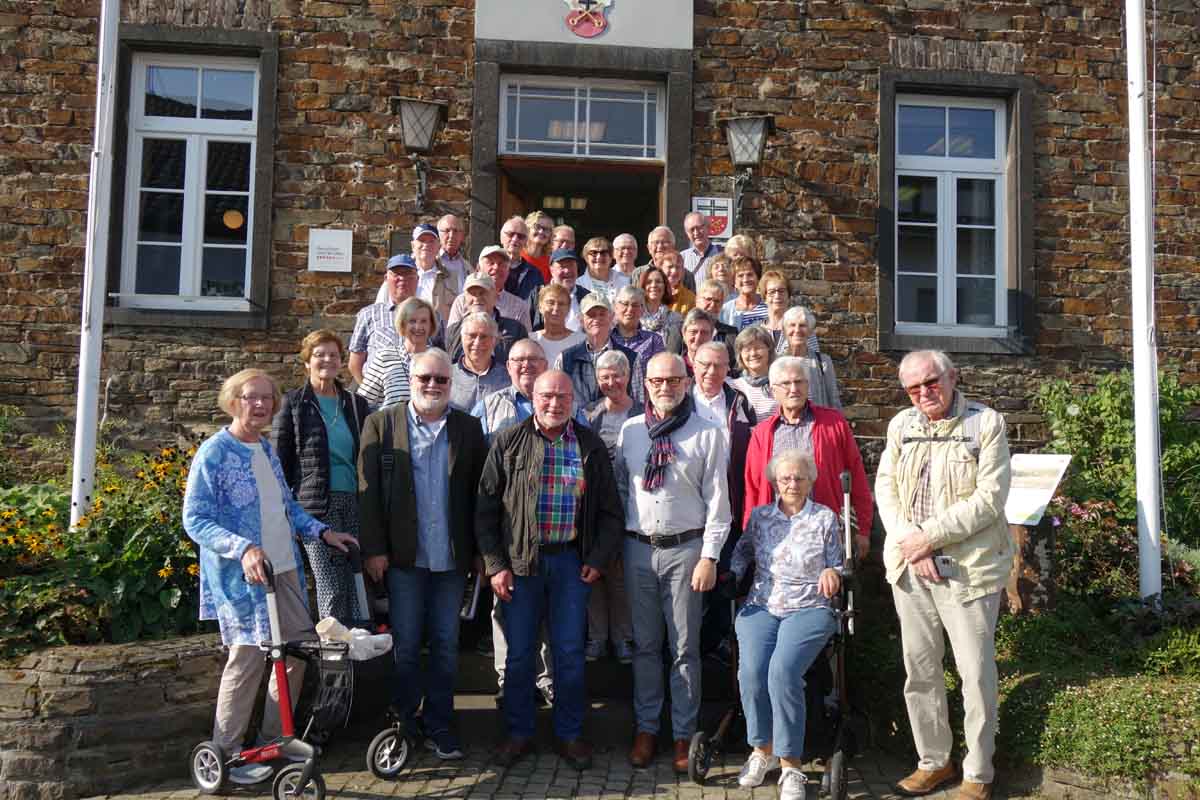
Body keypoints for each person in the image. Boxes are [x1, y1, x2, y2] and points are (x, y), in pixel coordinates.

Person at [184, 369, 355, 786]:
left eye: (266, 399)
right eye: (250, 397)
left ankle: (271, 742)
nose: (260, 405)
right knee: (245, 663)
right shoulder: (215, 452)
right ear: (232, 401)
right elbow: (195, 518)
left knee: (295, 657)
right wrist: (242, 547)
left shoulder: (265, 449)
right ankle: (226, 755)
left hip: (286, 570)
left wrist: (321, 531)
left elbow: (288, 508)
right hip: (244, 578)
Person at [875, 351, 1013, 800]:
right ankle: (933, 762)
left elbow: (989, 501)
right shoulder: (901, 425)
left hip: (969, 572)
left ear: (953, 377)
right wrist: (911, 545)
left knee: (974, 674)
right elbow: (886, 490)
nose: (923, 394)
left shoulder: (986, 424)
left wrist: (927, 538)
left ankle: (978, 772)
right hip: (911, 568)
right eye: (913, 389)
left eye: (931, 383)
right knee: (920, 673)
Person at [476, 370, 625, 771]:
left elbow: (611, 513)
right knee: (520, 654)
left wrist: (596, 559)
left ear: (573, 398)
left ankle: (570, 733)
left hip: (570, 563)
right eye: (547, 396)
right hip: (520, 565)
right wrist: (496, 565)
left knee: (570, 654)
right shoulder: (508, 440)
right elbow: (486, 509)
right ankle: (518, 733)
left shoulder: (589, 445)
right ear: (533, 395)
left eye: (562, 396)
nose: (554, 403)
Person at [359, 349, 488, 761]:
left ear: (451, 384)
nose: (432, 386)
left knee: (447, 646)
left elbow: (480, 497)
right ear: (411, 378)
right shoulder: (381, 424)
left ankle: (439, 724)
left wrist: (481, 552)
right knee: (407, 645)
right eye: (424, 378)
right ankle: (402, 725)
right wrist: (374, 548)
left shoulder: (468, 429)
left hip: (451, 561)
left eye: (441, 380)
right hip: (403, 560)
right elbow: (368, 494)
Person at [615, 352, 732, 772]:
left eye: (674, 380)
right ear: (644, 384)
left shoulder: (708, 433)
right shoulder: (630, 433)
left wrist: (710, 557)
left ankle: (683, 735)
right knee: (645, 646)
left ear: (686, 383)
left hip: (687, 550)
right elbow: (619, 495)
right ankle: (647, 729)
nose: (665, 387)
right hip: (638, 550)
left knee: (684, 650)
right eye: (657, 380)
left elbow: (720, 504)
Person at [730, 450, 844, 800]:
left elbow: (838, 563)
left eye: (799, 478)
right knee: (751, 672)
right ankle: (761, 751)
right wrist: (732, 573)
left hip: (810, 607)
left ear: (810, 480)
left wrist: (831, 571)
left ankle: (791, 765)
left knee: (782, 671)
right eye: (785, 479)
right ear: (775, 482)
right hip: (762, 604)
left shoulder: (825, 518)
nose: (792, 484)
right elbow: (743, 550)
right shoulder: (761, 517)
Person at [272, 331, 372, 625]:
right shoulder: (293, 403)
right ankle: (332, 658)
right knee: (330, 586)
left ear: (342, 362)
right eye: (319, 354)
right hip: (315, 507)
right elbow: (279, 463)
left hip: (353, 503)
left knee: (355, 584)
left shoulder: (356, 405)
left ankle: (356, 659)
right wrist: (286, 514)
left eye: (332, 354)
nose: (326, 360)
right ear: (307, 363)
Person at [742, 356, 872, 560]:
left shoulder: (833, 423)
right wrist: (748, 537)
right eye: (786, 383)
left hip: (822, 534)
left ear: (808, 385)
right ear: (774, 390)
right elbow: (752, 488)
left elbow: (855, 473)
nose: (794, 389)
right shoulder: (762, 433)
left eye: (799, 381)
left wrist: (863, 528)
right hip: (776, 537)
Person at [690, 341, 757, 659]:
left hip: (727, 503)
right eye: (705, 364)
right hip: (687, 507)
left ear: (729, 369)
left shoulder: (738, 402)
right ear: (693, 363)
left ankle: (712, 645)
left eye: (718, 365)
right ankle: (686, 646)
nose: (711, 372)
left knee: (721, 576)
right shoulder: (681, 400)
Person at [582, 349, 637, 665]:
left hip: (631, 506)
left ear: (628, 377)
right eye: (605, 377)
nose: (611, 382)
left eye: (617, 375)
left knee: (620, 576)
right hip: (595, 505)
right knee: (593, 573)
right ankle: (597, 636)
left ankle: (623, 637)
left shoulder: (643, 413)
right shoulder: (589, 415)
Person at [556, 293, 639, 408]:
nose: (597, 319)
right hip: (577, 423)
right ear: (581, 320)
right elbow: (558, 396)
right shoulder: (565, 359)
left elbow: (638, 402)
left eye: (602, 314)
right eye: (591, 315)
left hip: (619, 423)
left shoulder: (631, 358)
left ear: (611, 317)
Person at [349, 253, 418, 386]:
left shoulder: (431, 316)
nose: (402, 278)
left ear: (417, 278)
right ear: (386, 278)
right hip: (378, 401)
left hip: (417, 400)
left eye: (408, 274)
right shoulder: (368, 314)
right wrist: (368, 395)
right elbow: (354, 363)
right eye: (396, 274)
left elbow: (441, 356)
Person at [356, 296, 437, 408]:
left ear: (431, 325)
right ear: (403, 325)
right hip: (392, 424)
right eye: (412, 321)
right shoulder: (385, 357)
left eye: (424, 321)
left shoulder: (438, 360)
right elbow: (362, 401)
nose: (418, 327)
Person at [445, 274, 529, 364]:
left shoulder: (516, 330)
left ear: (495, 296)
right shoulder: (453, 331)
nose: (477, 298)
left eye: (482, 293)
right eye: (472, 293)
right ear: (465, 298)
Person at [447, 245, 533, 331]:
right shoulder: (462, 301)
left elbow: (526, 342)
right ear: (478, 268)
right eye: (490, 263)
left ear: (508, 271)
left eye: (501, 264)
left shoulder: (519, 307)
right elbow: (452, 338)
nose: (496, 268)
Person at [778, 305, 840, 409]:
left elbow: (833, 399)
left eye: (802, 325)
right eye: (792, 325)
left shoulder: (823, 362)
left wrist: (840, 423)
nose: (797, 330)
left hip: (818, 422)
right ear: (784, 331)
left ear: (810, 331)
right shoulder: (776, 362)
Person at [449, 311, 511, 411]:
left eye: (484, 337)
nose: (477, 343)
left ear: (494, 341)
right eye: (472, 336)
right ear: (462, 339)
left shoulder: (508, 378)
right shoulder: (447, 375)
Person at [612, 286, 666, 401]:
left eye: (635, 305)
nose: (630, 309)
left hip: (644, 405)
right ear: (615, 307)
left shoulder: (654, 341)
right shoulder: (607, 338)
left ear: (642, 310)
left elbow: (660, 376)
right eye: (625, 304)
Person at [529, 249, 588, 332]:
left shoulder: (587, 296)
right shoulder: (537, 295)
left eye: (571, 265)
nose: (567, 270)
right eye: (562, 266)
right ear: (551, 270)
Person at [727, 325, 779, 420]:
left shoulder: (781, 384)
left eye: (758, 348)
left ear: (769, 350)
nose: (753, 353)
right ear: (740, 355)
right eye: (747, 350)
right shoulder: (732, 387)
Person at [531, 283, 585, 367]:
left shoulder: (581, 341)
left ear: (568, 309)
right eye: (550, 303)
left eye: (561, 304)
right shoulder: (530, 340)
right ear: (540, 307)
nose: (556, 308)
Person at [412, 223, 457, 322]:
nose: (426, 245)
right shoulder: (401, 275)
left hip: (440, 336)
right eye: (422, 240)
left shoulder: (451, 277)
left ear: (438, 246)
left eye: (431, 241)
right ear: (413, 246)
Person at [639, 265, 684, 354]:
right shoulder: (635, 317)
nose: (654, 285)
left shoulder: (676, 320)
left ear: (665, 286)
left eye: (658, 281)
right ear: (643, 286)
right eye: (649, 282)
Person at [502, 215, 545, 300]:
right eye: (510, 234)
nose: (515, 239)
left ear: (526, 241)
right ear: (501, 237)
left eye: (520, 236)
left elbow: (538, 306)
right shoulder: (489, 267)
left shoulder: (535, 274)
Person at [721, 256, 769, 330]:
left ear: (758, 278)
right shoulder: (725, 310)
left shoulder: (769, 307)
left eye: (750, 274)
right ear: (734, 282)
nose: (745, 279)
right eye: (740, 275)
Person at [577, 236, 630, 302]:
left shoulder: (626, 282)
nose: (599, 257)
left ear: (611, 257)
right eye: (594, 253)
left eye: (604, 252)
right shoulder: (578, 285)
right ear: (586, 257)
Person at [694, 279, 740, 355]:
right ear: (697, 300)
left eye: (717, 301)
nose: (712, 305)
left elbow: (735, 363)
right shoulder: (683, 329)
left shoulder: (731, 333)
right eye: (708, 299)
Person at [681, 211, 723, 285]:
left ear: (708, 227)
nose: (696, 233)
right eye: (692, 230)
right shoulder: (682, 258)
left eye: (699, 227)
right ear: (687, 234)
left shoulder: (722, 254)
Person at [436, 214, 470, 290]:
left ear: (462, 236)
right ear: (439, 234)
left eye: (455, 231)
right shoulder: (430, 263)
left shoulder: (468, 268)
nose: (451, 235)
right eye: (447, 231)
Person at [758, 270, 791, 348]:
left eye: (781, 291)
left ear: (788, 295)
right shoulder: (755, 330)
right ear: (764, 297)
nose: (777, 296)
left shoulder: (801, 327)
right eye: (772, 292)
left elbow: (814, 357)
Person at [522, 210, 555, 284]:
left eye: (546, 229)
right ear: (527, 229)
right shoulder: (517, 256)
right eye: (537, 227)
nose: (541, 232)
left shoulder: (551, 263)